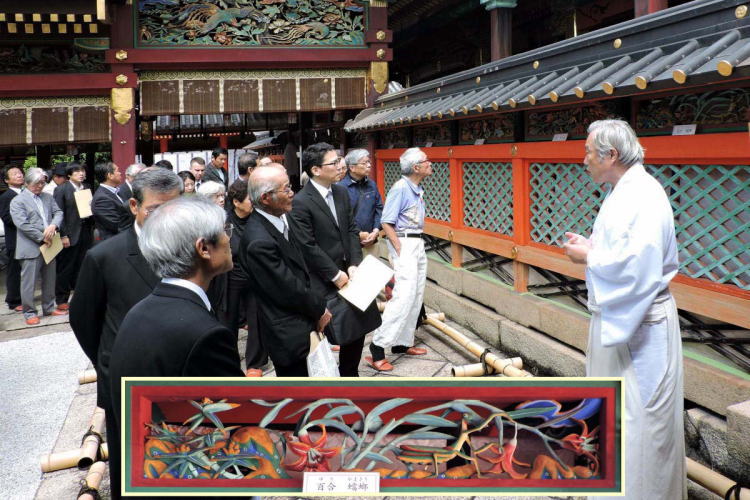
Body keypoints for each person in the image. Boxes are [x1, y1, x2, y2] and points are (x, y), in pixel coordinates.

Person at [562, 119, 685, 500]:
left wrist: (589, 257)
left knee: (641, 424)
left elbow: (640, 268)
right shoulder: (625, 191)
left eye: (588, 152)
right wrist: (592, 247)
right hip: (623, 320)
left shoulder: (642, 195)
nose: (584, 160)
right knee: (617, 418)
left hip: (641, 327)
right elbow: (624, 253)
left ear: (611, 155)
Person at [109, 197, 243, 486]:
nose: (229, 239)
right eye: (225, 231)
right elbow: (234, 423)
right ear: (203, 248)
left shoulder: (140, 311)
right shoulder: (205, 334)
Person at [70, 168, 182, 500]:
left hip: (181, 376)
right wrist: (111, 360)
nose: (166, 218)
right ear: (134, 205)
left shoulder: (190, 247)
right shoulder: (104, 256)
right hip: (127, 380)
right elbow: (84, 320)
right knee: (132, 468)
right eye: (156, 210)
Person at [240, 165, 330, 376]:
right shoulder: (259, 241)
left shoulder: (278, 220)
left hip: (302, 319)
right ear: (266, 198)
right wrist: (320, 308)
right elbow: (288, 288)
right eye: (286, 189)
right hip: (288, 329)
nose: (292, 193)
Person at [291, 143, 368, 377]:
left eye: (339, 160)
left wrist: (354, 263)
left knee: (357, 327)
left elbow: (352, 229)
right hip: (321, 278)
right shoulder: (301, 201)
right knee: (324, 331)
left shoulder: (341, 192)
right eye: (334, 162)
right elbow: (307, 245)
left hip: (349, 272)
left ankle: (350, 375)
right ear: (316, 170)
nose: (340, 166)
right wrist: (335, 274)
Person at [367, 147, 431, 371]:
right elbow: (386, 221)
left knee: (416, 294)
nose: (430, 163)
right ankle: (377, 346)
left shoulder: (415, 188)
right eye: (426, 161)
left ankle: (403, 343)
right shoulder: (401, 188)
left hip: (416, 242)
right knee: (403, 296)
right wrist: (398, 248)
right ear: (416, 167)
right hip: (405, 243)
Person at [9, 168, 66, 325]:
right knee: (29, 283)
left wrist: (53, 225)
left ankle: (49, 307)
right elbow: (22, 224)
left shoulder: (47, 197)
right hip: (31, 246)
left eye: (42, 183)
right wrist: (43, 237)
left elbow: (58, 212)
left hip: (50, 244)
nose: (40, 186)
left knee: (50, 278)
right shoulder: (18, 201)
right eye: (37, 183)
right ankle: (29, 312)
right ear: (27, 183)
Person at [224, 179, 267, 377]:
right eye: (250, 199)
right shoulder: (224, 221)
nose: (254, 203)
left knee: (257, 318)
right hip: (231, 276)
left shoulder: (258, 218)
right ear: (236, 202)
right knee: (229, 319)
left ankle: (255, 363)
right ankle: (228, 360)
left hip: (255, 275)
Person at [53, 162, 94, 309]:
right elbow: (59, 213)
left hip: (85, 230)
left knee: (82, 265)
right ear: (69, 174)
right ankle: (61, 299)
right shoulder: (61, 189)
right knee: (66, 267)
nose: (81, 173)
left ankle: (80, 296)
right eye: (76, 171)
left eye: (82, 171)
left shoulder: (86, 187)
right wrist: (63, 235)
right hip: (70, 233)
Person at [339, 149, 383, 258]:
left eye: (369, 162)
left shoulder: (372, 185)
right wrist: (359, 234)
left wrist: (376, 230)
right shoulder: (340, 188)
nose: (369, 165)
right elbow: (341, 217)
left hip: (372, 241)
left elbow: (379, 208)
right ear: (352, 168)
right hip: (351, 243)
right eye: (364, 163)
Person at [0, 165, 24, 312]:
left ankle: (24, 296)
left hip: (28, 239)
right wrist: (25, 222)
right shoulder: (6, 196)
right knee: (14, 271)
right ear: (7, 180)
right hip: (15, 239)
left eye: (20, 173)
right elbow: (6, 217)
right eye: (14, 174)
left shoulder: (27, 193)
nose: (19, 175)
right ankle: (13, 300)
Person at [91, 161, 128, 241]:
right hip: (116, 241)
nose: (120, 173)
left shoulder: (117, 191)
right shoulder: (101, 199)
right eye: (117, 171)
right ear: (110, 175)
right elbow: (117, 225)